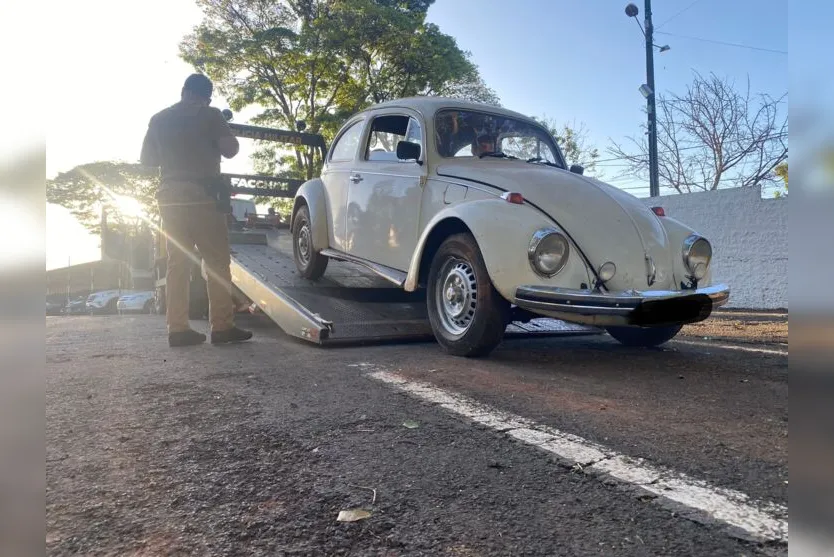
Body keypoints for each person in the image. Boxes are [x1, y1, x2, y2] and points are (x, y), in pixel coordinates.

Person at [140, 73, 253, 347]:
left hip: (170, 197)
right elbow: (231, 150)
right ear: (204, 96)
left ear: (183, 91)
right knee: (215, 262)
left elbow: (147, 161)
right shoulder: (211, 115)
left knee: (177, 263)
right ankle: (222, 326)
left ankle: (177, 329)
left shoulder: (158, 119)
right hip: (203, 196)